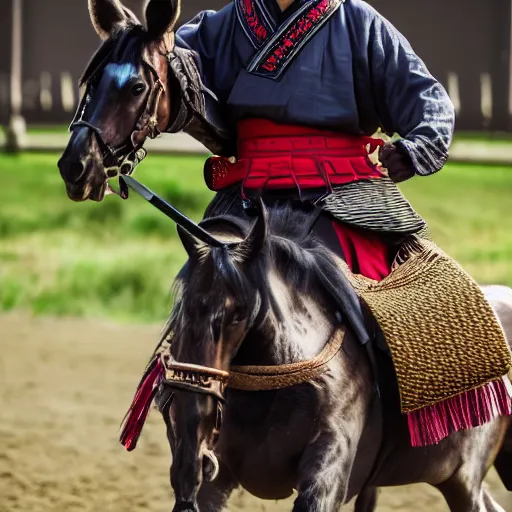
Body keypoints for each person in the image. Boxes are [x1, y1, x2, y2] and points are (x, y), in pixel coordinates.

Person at [167, 0, 455, 281]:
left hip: (342, 191)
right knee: (204, 291)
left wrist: (415, 149)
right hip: (247, 193)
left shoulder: (358, 20)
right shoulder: (223, 24)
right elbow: (160, 73)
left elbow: (427, 98)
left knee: (398, 296)